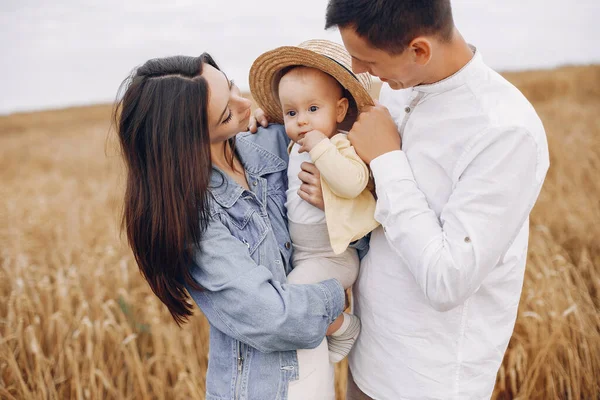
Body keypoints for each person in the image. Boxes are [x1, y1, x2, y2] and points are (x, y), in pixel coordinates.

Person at [320, 0, 550, 399]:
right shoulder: (397, 89)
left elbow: (447, 280)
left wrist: (388, 160)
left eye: (367, 59)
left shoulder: (505, 131)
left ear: (419, 50)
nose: (359, 70)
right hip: (365, 360)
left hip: (427, 381)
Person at [113, 53, 351, 400]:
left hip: (318, 373)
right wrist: (337, 299)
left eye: (233, 88)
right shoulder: (195, 219)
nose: (246, 107)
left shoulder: (274, 142)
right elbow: (272, 317)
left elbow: (352, 152)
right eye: (227, 113)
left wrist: (340, 203)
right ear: (188, 139)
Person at [249, 39, 379, 396]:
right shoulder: (294, 144)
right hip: (303, 254)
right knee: (290, 295)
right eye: (292, 113)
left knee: (289, 299)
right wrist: (261, 116)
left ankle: (341, 325)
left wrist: (321, 147)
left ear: (339, 110)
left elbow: (353, 184)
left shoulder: (339, 144)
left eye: (312, 109)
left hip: (332, 257)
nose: (302, 120)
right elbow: (266, 132)